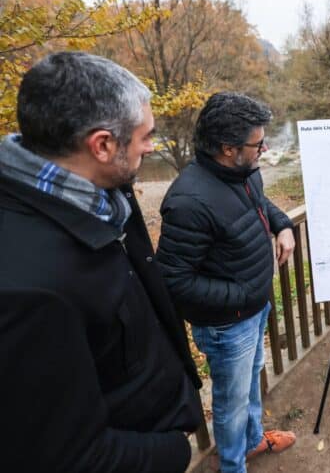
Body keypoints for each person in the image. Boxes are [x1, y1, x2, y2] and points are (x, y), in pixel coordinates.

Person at [0, 51, 202, 472]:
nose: (152, 146)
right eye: (146, 136)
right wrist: (173, 452)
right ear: (103, 145)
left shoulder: (103, 196)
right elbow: (65, 456)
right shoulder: (29, 289)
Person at [156, 92, 296, 473]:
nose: (264, 148)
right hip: (226, 325)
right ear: (227, 148)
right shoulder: (189, 202)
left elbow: (259, 205)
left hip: (252, 310)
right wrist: (243, 294)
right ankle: (234, 467)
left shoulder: (244, 173)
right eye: (257, 143)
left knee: (250, 383)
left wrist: (284, 225)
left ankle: (252, 442)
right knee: (231, 404)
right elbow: (174, 279)